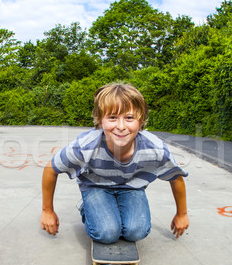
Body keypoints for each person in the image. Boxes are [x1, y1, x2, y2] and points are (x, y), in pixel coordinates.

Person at [40, 83, 189, 243]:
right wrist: (47, 211)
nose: (120, 126)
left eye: (129, 118)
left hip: (132, 187)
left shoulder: (155, 148)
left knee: (136, 232)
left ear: (141, 120)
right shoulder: (86, 146)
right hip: (96, 186)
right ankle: (87, 207)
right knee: (107, 234)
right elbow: (51, 169)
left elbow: (176, 178)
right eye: (112, 117)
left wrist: (182, 214)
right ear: (100, 120)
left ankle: (117, 207)